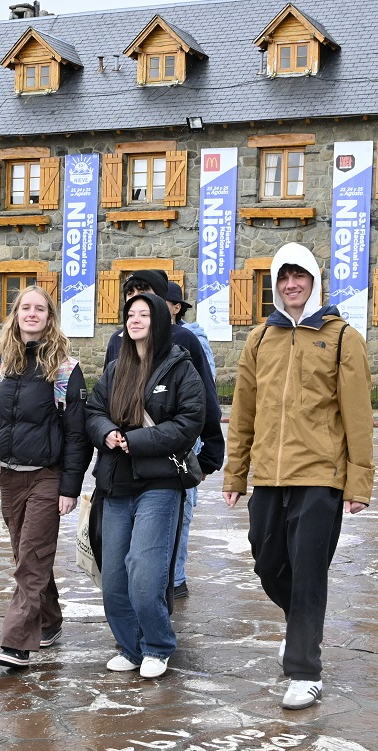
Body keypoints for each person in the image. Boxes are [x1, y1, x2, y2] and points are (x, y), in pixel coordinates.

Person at [222, 242, 374, 711]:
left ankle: (305, 668)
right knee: (267, 564)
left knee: (309, 573)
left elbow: (358, 416)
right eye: (284, 277)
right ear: (275, 284)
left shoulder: (343, 337)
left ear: (314, 281)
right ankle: (301, 628)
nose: (292, 285)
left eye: (300, 277)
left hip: (320, 476)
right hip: (268, 474)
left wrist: (358, 482)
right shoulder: (259, 339)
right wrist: (235, 473)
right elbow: (244, 411)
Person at [0, 286, 91, 670]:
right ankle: (51, 621)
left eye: (40, 309)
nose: (32, 314)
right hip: (10, 477)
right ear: (16, 314)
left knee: (32, 559)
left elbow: (77, 434)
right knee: (27, 555)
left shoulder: (65, 369)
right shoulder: (1, 364)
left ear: (50, 317)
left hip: (47, 477)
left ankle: (17, 642)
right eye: (26, 308)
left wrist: (70, 487)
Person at [86, 292, 205, 680]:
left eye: (143, 314)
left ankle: (157, 644)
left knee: (144, 570)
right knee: (114, 576)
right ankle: (129, 645)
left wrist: (134, 441)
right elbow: (94, 411)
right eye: (130, 314)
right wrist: (106, 433)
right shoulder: (116, 367)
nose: (135, 320)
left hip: (159, 484)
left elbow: (190, 422)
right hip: (116, 484)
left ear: (159, 320)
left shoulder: (179, 367)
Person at [103, 270, 224, 599]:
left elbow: (204, 396)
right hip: (125, 455)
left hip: (172, 449)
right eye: (132, 296)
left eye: (145, 294)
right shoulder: (117, 341)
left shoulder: (184, 340)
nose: (137, 303)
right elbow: (104, 398)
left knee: (174, 518)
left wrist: (212, 450)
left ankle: (173, 580)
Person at [163, 280, 217, 599]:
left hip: (185, 439)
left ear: (176, 308)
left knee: (183, 508)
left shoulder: (192, 338)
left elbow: (205, 389)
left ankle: (177, 576)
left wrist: (202, 442)